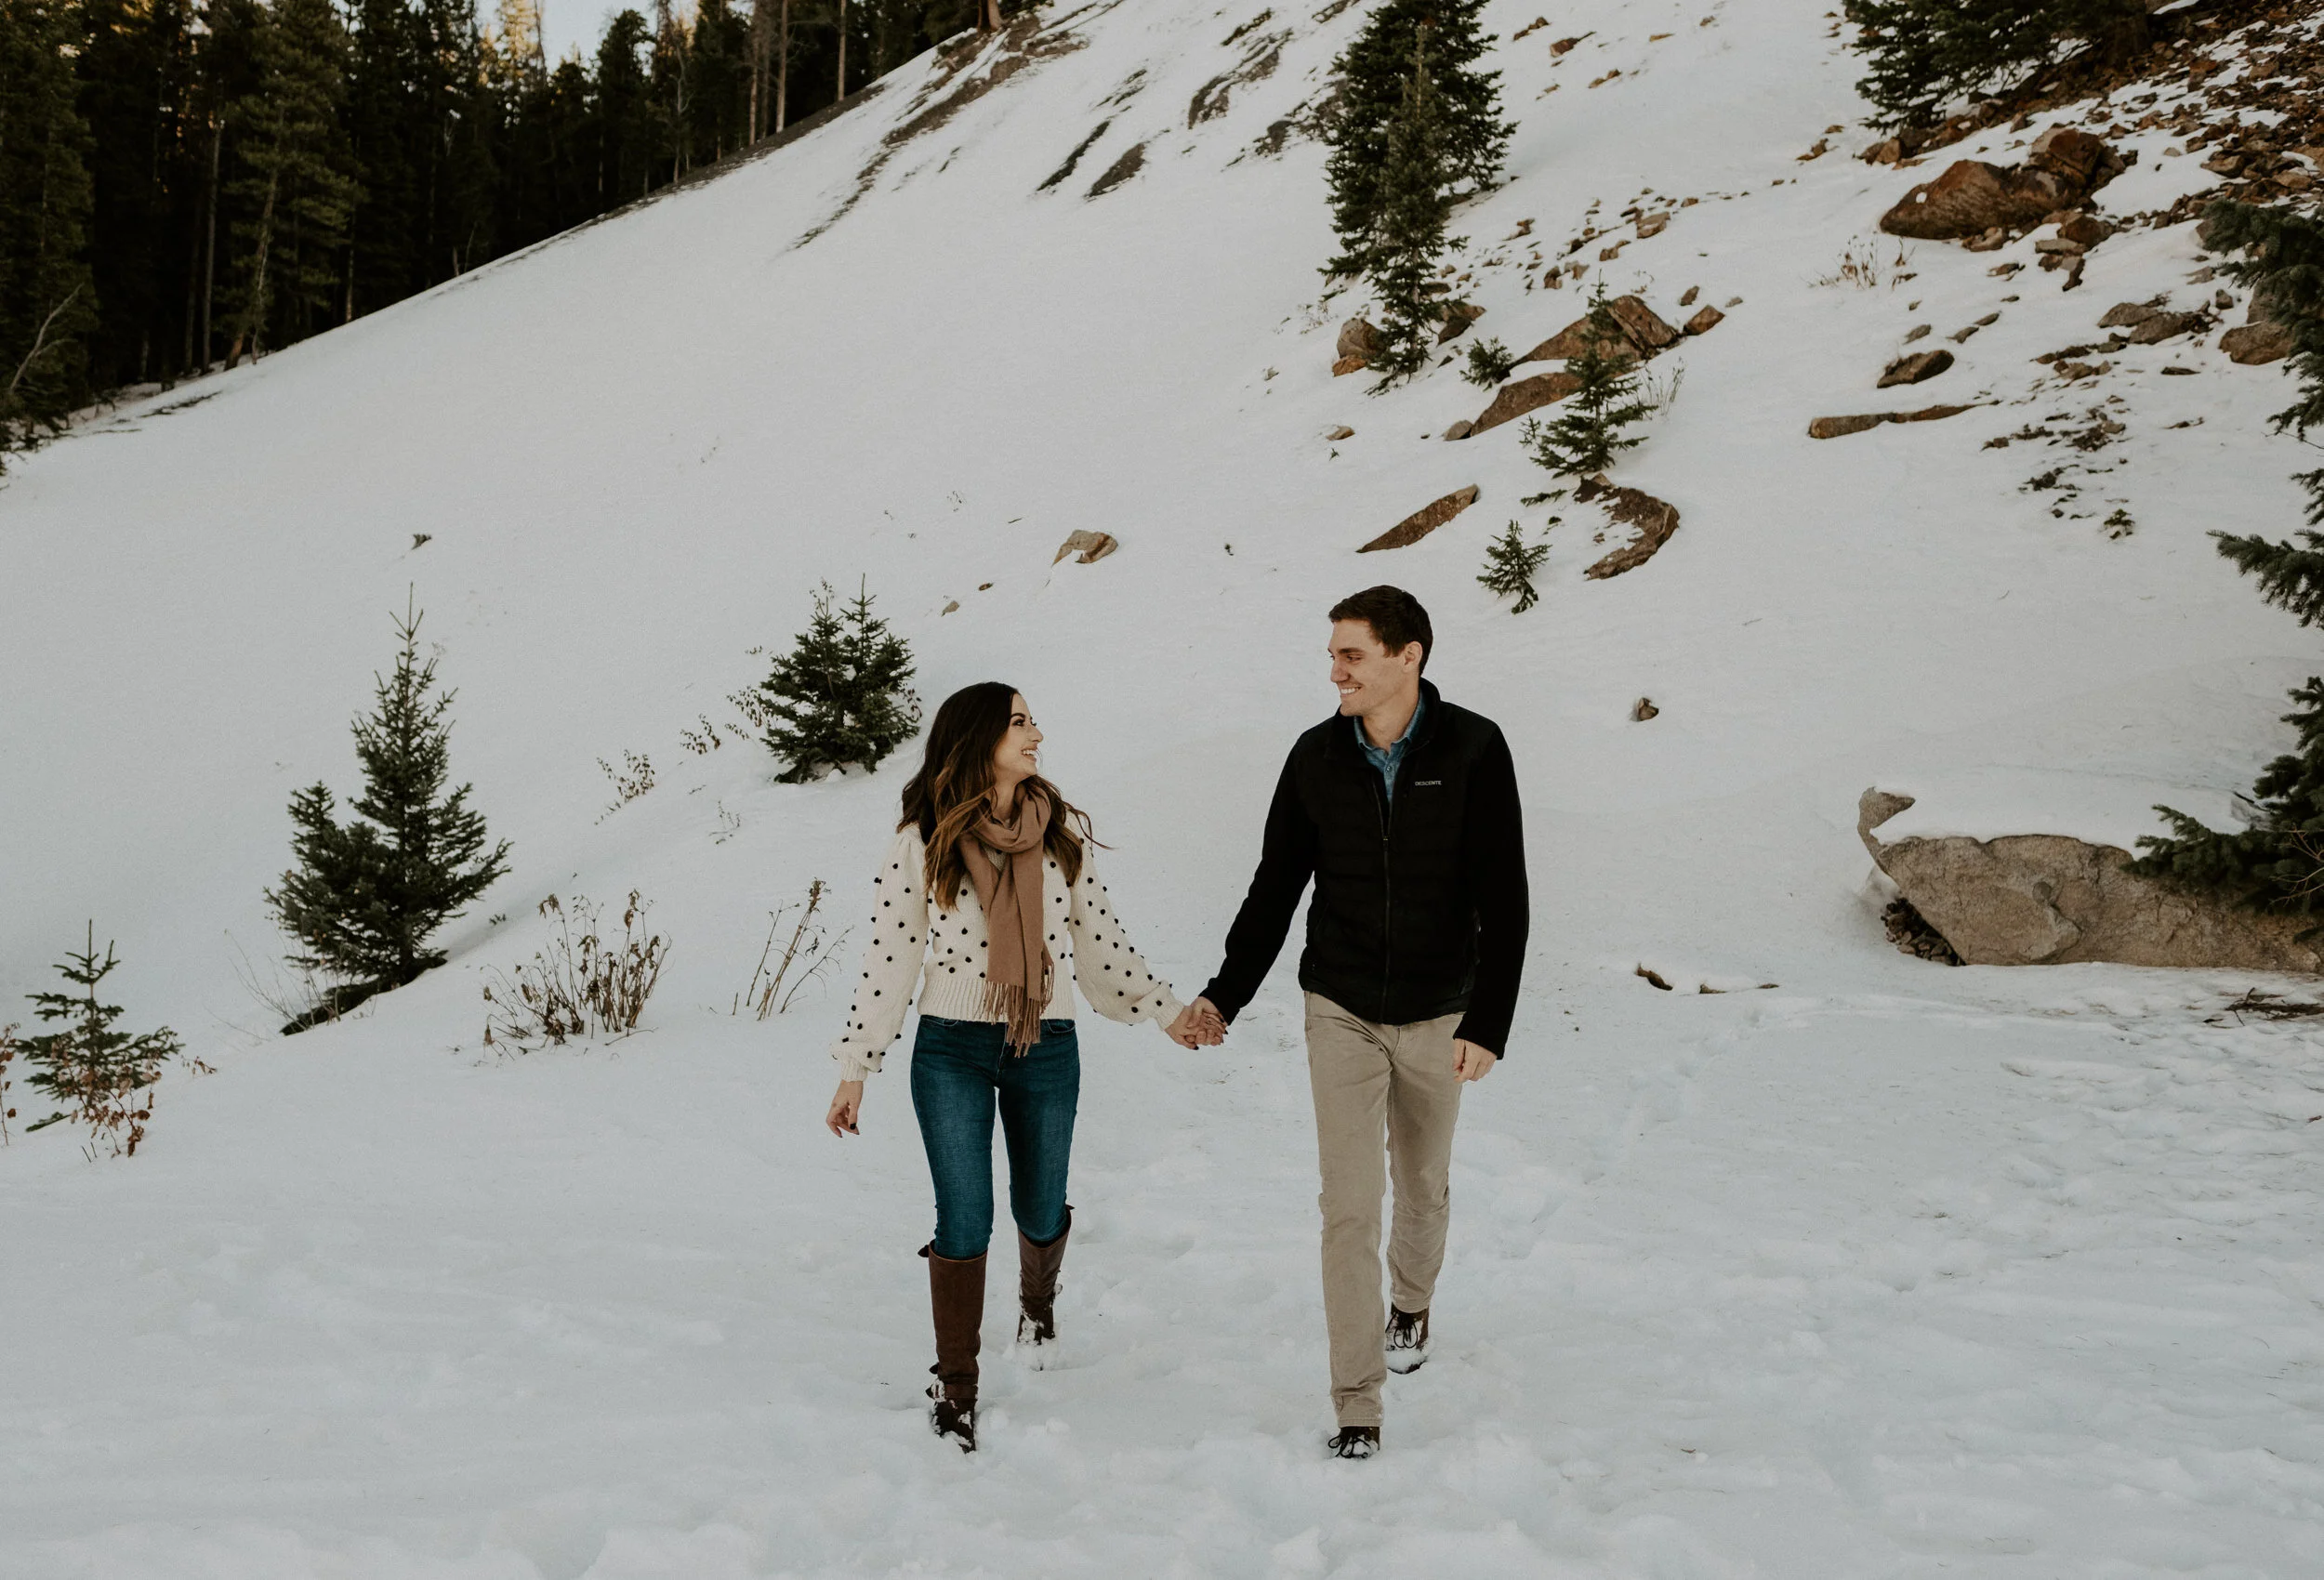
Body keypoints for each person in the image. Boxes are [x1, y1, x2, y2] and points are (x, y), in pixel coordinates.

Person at [824, 681, 1221, 1453]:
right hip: (952, 1047)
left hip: (1046, 1043)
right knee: (964, 1216)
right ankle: (957, 1385)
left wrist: (1165, 1009)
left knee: (1040, 1208)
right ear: (979, 738)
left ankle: (1037, 1303)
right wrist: (855, 1067)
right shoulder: (922, 837)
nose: (1037, 732)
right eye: (1019, 721)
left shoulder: (1058, 830)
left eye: (1032, 719)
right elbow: (891, 955)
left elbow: (1099, 935)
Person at [1190, 586, 1527, 1459]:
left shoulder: (1475, 749)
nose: (1333, 669)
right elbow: (1275, 887)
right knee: (1349, 1203)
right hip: (1338, 1004)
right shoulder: (1315, 757)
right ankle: (1357, 1402)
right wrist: (1226, 995)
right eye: (1332, 653)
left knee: (1421, 1185)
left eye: (1351, 655)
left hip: (1439, 1008)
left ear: (1407, 656)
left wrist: (1487, 1020)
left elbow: (1507, 896)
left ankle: (1411, 1301)